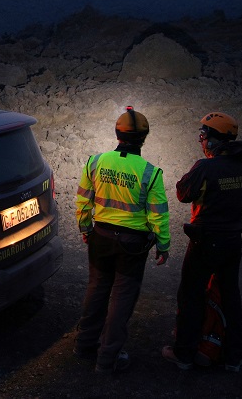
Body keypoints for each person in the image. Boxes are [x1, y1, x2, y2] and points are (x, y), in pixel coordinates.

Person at [74, 106, 171, 374]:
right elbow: (158, 215)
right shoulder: (151, 173)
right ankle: (108, 359)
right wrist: (163, 245)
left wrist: (84, 229)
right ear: (144, 138)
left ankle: (84, 346)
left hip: (100, 237)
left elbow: (83, 201)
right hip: (132, 245)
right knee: (122, 299)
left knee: (96, 290)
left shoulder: (95, 162)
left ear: (117, 133)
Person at [162, 111, 242, 372]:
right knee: (230, 296)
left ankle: (184, 353)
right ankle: (234, 355)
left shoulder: (206, 167)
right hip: (232, 241)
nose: (201, 142)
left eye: (203, 137)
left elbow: (183, 193)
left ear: (215, 140)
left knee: (191, 295)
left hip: (206, 242)